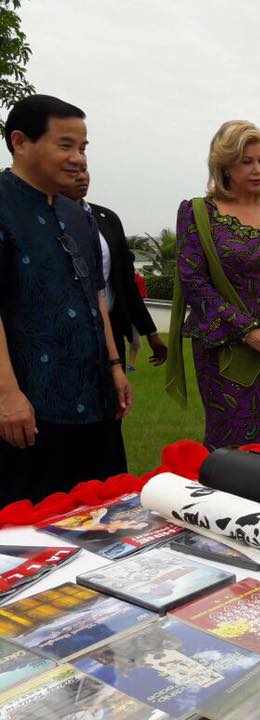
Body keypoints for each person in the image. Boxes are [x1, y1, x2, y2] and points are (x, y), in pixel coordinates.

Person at [0, 94, 132, 504]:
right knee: (33, 527)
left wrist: (114, 364)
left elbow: (94, 293)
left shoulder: (78, 214)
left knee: (106, 514)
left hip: (94, 397)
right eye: (65, 145)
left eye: (83, 147)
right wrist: (7, 394)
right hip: (31, 405)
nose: (78, 158)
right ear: (20, 142)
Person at [167, 120, 260, 448]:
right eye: (246, 161)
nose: (257, 169)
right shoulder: (198, 212)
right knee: (233, 448)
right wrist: (247, 330)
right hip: (228, 352)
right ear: (224, 165)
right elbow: (193, 280)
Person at [61, 162, 167, 370]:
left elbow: (126, 282)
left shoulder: (107, 219)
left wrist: (151, 333)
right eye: (73, 172)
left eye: (84, 170)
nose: (82, 177)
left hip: (111, 328)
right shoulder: (45, 221)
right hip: (67, 333)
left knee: (116, 398)